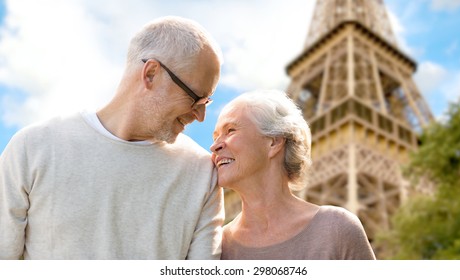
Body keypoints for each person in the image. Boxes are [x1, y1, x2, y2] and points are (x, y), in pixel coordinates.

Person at [0, 16, 224, 259]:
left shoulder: (202, 174)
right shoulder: (32, 149)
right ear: (150, 74)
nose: (201, 116)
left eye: (207, 102)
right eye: (196, 98)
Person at [210, 90, 376, 260]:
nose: (214, 147)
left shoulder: (337, 229)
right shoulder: (216, 248)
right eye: (215, 137)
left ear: (274, 142)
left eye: (230, 130)